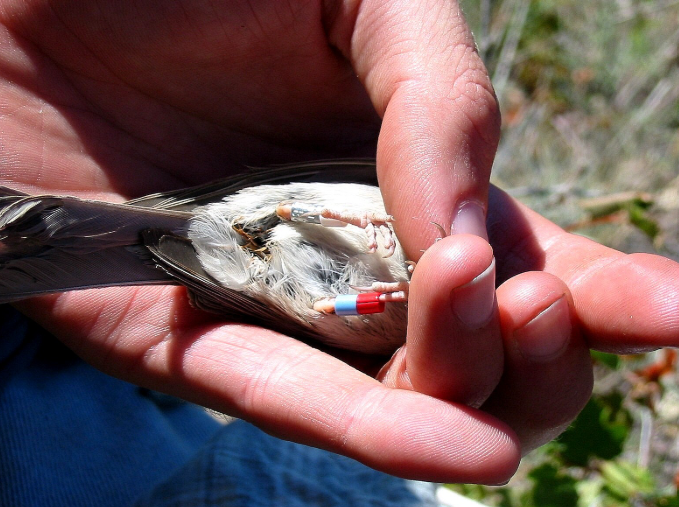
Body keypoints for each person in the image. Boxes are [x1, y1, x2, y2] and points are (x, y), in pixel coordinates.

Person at [0, 1, 677, 505]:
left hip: (232, 282)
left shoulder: (466, 310)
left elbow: (319, 304)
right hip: (248, 215)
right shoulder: (448, 238)